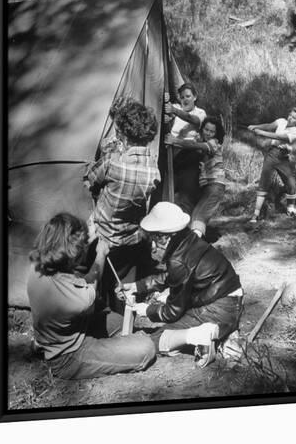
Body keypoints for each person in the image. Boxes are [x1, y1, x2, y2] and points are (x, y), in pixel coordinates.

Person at [27, 212, 156, 379]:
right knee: (145, 348)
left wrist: (88, 235)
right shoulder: (73, 299)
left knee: (117, 322)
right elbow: (91, 285)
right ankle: (52, 352)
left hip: (75, 327)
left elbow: (69, 263)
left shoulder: (39, 261)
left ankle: (43, 345)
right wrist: (100, 254)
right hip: (69, 355)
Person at [120, 202, 243, 367]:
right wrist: (140, 286)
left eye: (155, 237)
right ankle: (222, 332)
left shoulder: (178, 260)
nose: (153, 244)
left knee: (152, 342)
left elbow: (172, 312)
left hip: (219, 307)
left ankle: (201, 335)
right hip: (229, 299)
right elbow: (175, 276)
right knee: (175, 328)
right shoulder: (188, 239)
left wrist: (146, 310)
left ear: (166, 236)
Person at [85, 98, 161, 312]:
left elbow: (90, 178)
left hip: (102, 237)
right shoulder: (154, 171)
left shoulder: (112, 163)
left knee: (95, 289)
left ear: (123, 136)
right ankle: (124, 325)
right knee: (123, 291)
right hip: (130, 239)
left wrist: (109, 153)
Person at [165, 116, 226, 238]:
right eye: (206, 129)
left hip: (215, 186)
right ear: (202, 129)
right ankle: (189, 245)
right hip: (207, 187)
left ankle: (193, 247)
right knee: (195, 217)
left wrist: (175, 141)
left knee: (199, 218)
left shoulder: (214, 143)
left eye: (212, 131)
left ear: (216, 134)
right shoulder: (202, 145)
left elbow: (196, 146)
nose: (208, 133)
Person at [247, 107, 296, 223]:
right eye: (290, 115)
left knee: (291, 183)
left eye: (294, 118)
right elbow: (269, 126)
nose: (290, 118)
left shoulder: (294, 133)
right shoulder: (281, 121)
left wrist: (261, 133)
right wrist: (255, 126)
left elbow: (278, 137)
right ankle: (255, 215)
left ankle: (291, 209)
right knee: (264, 182)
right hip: (272, 154)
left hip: (284, 158)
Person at [165, 83, 206, 214]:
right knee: (168, 195)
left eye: (188, 96)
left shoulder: (200, 113)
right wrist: (165, 102)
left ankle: (187, 228)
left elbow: (192, 120)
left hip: (190, 156)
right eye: (182, 97)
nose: (185, 100)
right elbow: (165, 110)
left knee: (186, 197)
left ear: (195, 97)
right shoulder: (176, 107)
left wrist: (175, 111)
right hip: (172, 156)